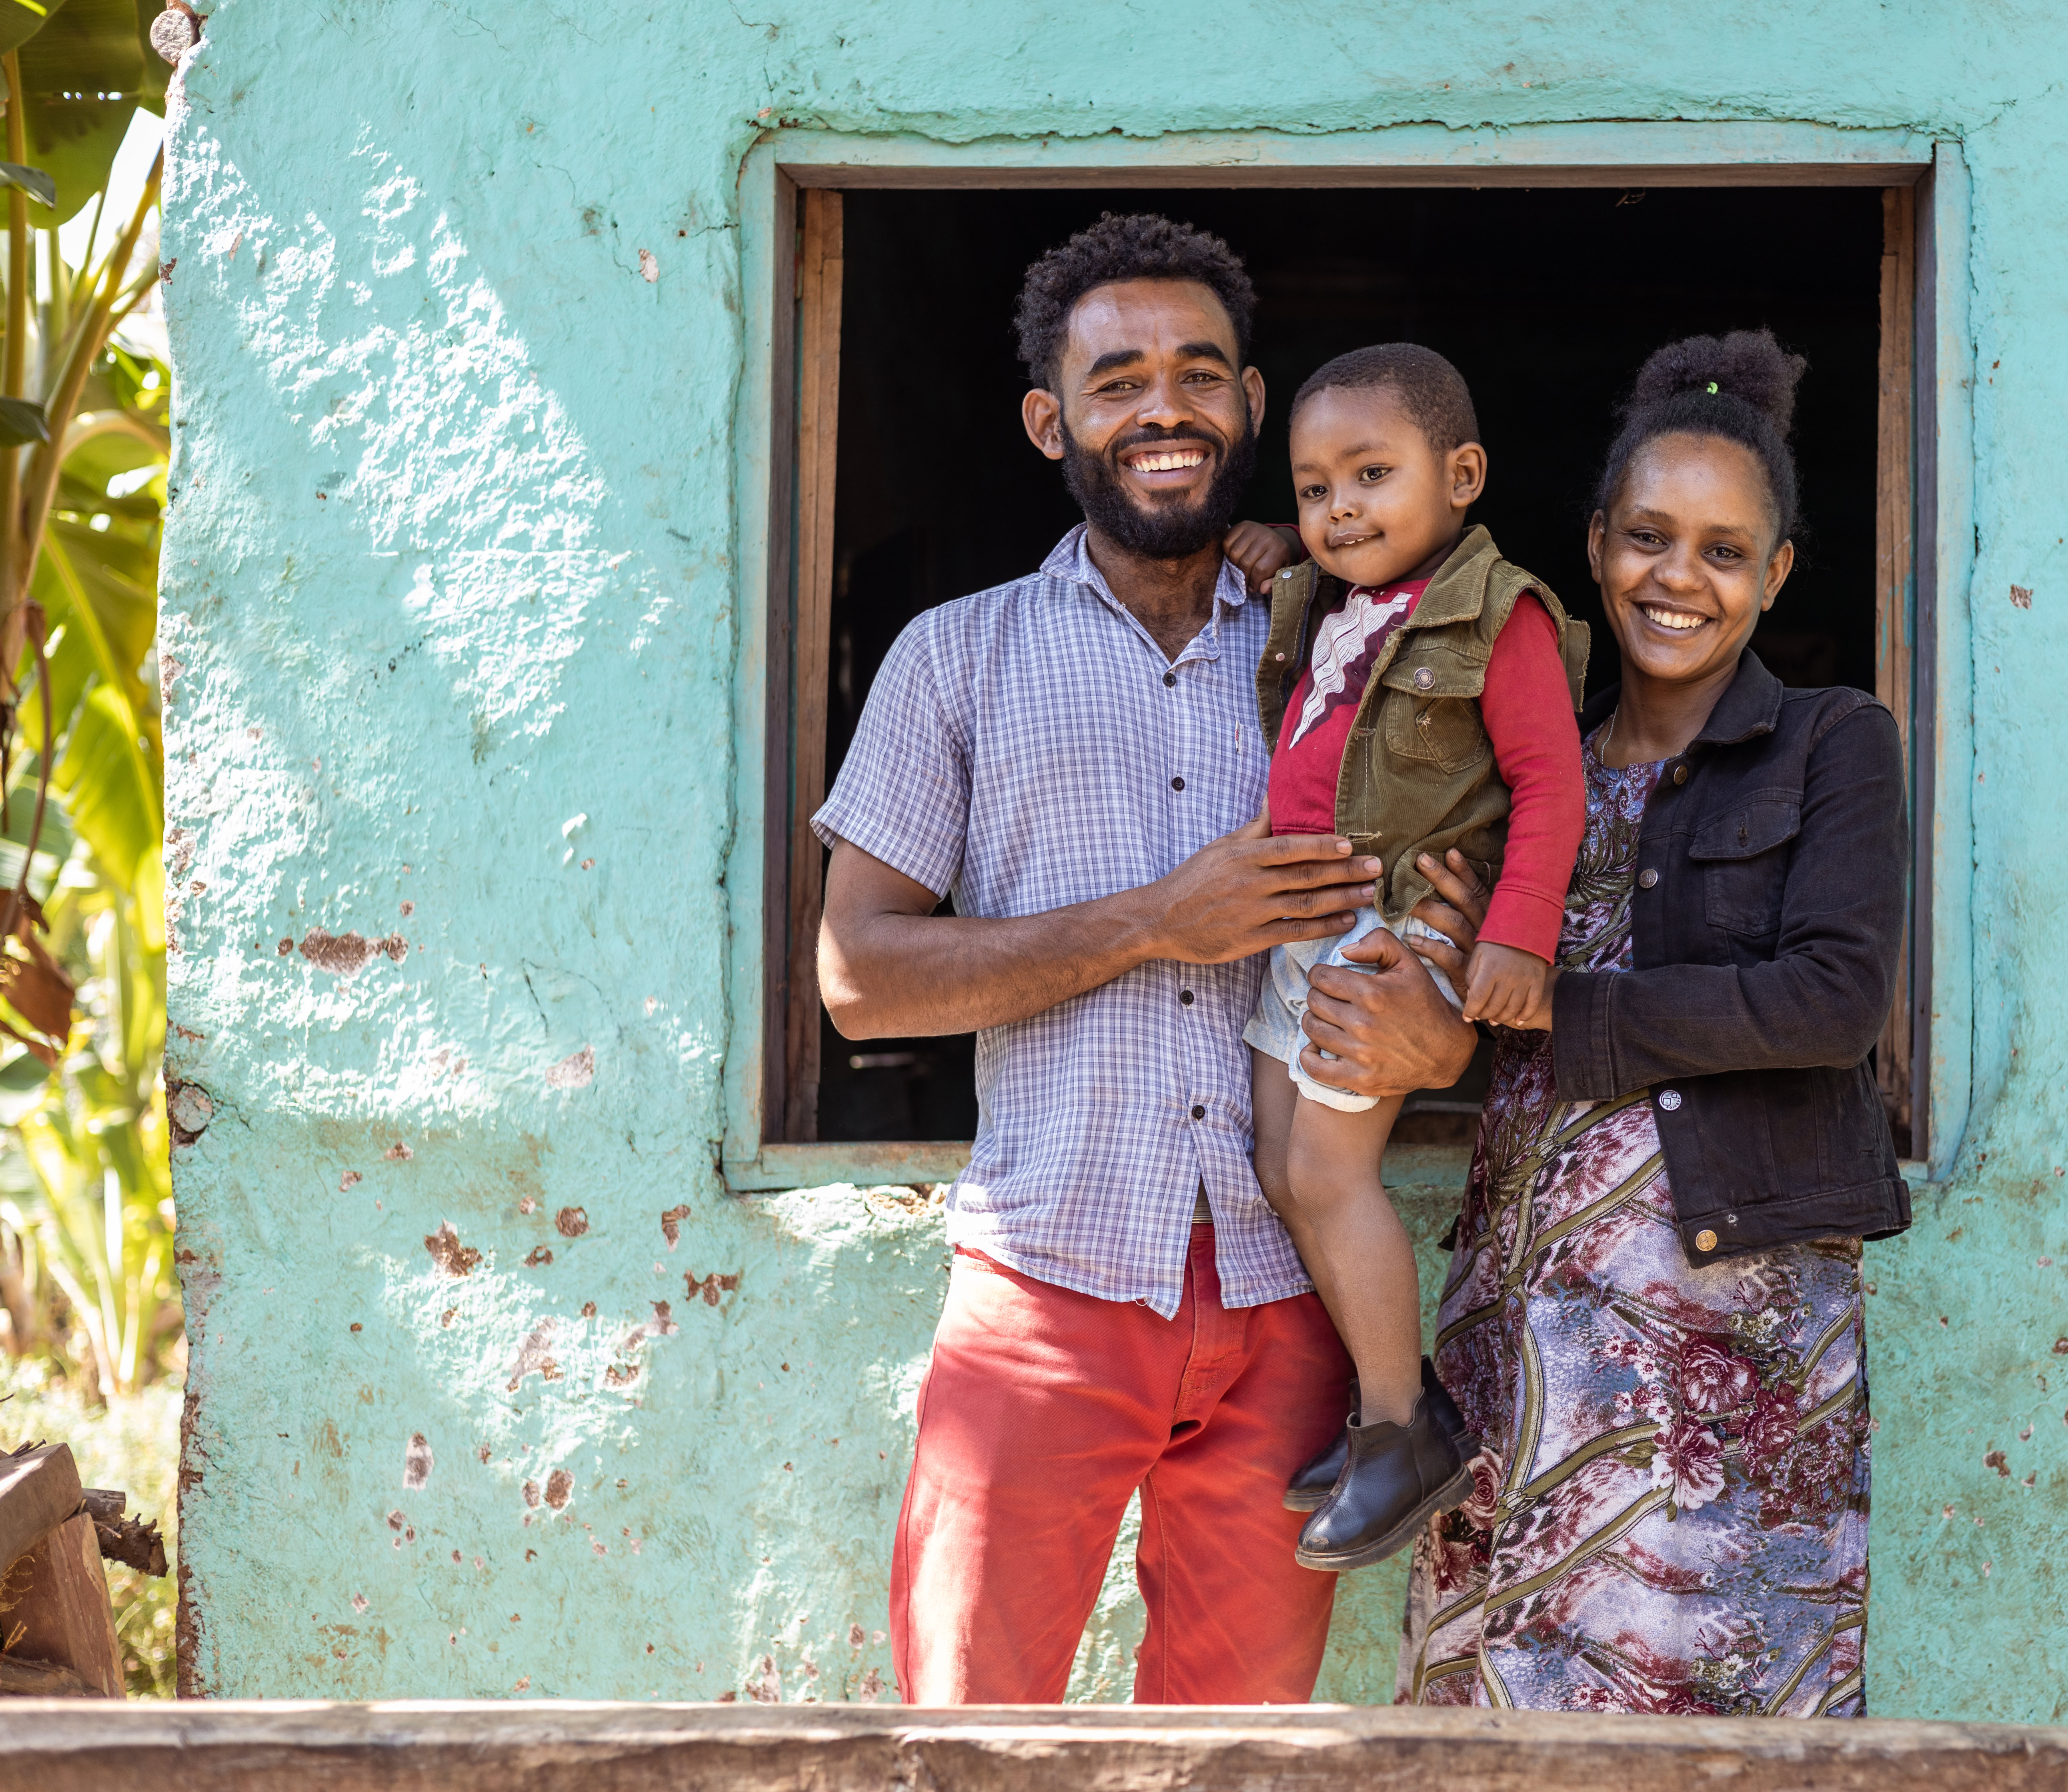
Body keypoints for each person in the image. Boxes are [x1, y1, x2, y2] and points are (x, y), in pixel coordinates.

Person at [811, 213, 1480, 1706]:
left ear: (1250, 403)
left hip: (1286, 1297)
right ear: (1054, 420)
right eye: (1118, 381)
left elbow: (1451, 907)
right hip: (1045, 1288)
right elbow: (857, 977)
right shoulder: (955, 657)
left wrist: (1440, 1041)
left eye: (1198, 374)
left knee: (1232, 1751)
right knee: (970, 1733)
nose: (1162, 409)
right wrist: (1156, 921)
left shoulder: (1351, 651)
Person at [1399, 330, 1912, 1714]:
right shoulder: (1524, 759)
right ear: (1594, 545)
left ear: (1777, 573)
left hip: (1723, 1329)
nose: (1678, 578)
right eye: (1647, 537)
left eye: (1724, 552)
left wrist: (1559, 1013)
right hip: (1521, 1314)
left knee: (1713, 1700)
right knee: (1496, 1707)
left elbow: (1834, 998)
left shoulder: (1831, 744)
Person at [1243, 345, 1587, 1570]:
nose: (1340, 509)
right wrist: (1275, 553)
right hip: (1305, 926)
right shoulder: (1335, 605)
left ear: (1463, 476)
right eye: (1315, 487)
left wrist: (1516, 938)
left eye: (1372, 477)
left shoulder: (1505, 618)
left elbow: (1552, 785)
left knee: (1332, 1175)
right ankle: (1395, 1409)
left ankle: (1403, 1429)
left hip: (1394, 939)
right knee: (1284, 1166)